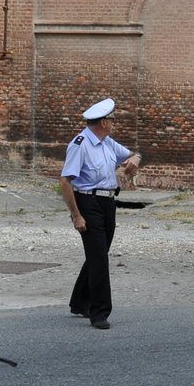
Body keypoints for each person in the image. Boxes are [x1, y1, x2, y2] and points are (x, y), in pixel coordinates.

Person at [59, 98, 141, 329]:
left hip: (108, 203)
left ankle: (79, 302)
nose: (114, 123)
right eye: (112, 119)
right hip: (88, 202)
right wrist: (76, 215)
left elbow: (133, 154)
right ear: (104, 122)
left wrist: (135, 159)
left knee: (99, 253)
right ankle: (99, 312)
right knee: (99, 259)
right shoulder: (80, 144)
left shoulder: (107, 143)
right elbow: (65, 181)